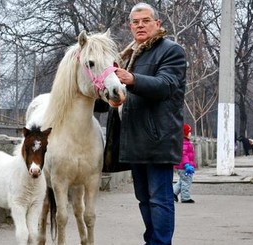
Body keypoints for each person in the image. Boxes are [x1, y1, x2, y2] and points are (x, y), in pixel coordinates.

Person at [101, 2, 187, 245]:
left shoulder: (171, 50)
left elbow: (166, 85)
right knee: (144, 199)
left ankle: (159, 243)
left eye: (145, 21)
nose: (140, 25)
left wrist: (132, 78)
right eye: (135, 22)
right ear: (130, 26)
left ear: (157, 24)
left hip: (158, 138)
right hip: (134, 140)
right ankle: (152, 241)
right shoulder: (128, 54)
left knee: (160, 199)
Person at [173, 123, 196, 203]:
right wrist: (187, 165)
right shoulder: (184, 143)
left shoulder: (184, 142)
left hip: (183, 166)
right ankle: (185, 197)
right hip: (184, 167)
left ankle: (173, 192)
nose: (190, 133)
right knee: (186, 181)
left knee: (182, 180)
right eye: (189, 132)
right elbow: (184, 155)